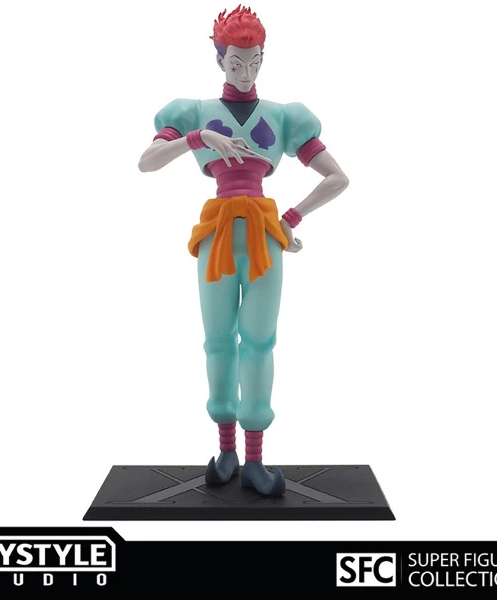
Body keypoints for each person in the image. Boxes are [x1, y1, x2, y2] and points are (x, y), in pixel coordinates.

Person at [139, 5, 349, 496]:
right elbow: (147, 162)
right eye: (236, 62)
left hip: (262, 237)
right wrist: (198, 138)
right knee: (218, 341)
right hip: (215, 235)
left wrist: (289, 219)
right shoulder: (193, 112)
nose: (245, 71)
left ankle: (254, 459)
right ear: (220, 60)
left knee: (258, 342)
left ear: (263, 58)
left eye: (254, 62)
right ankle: (226, 451)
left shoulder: (283, 116)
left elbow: (338, 178)